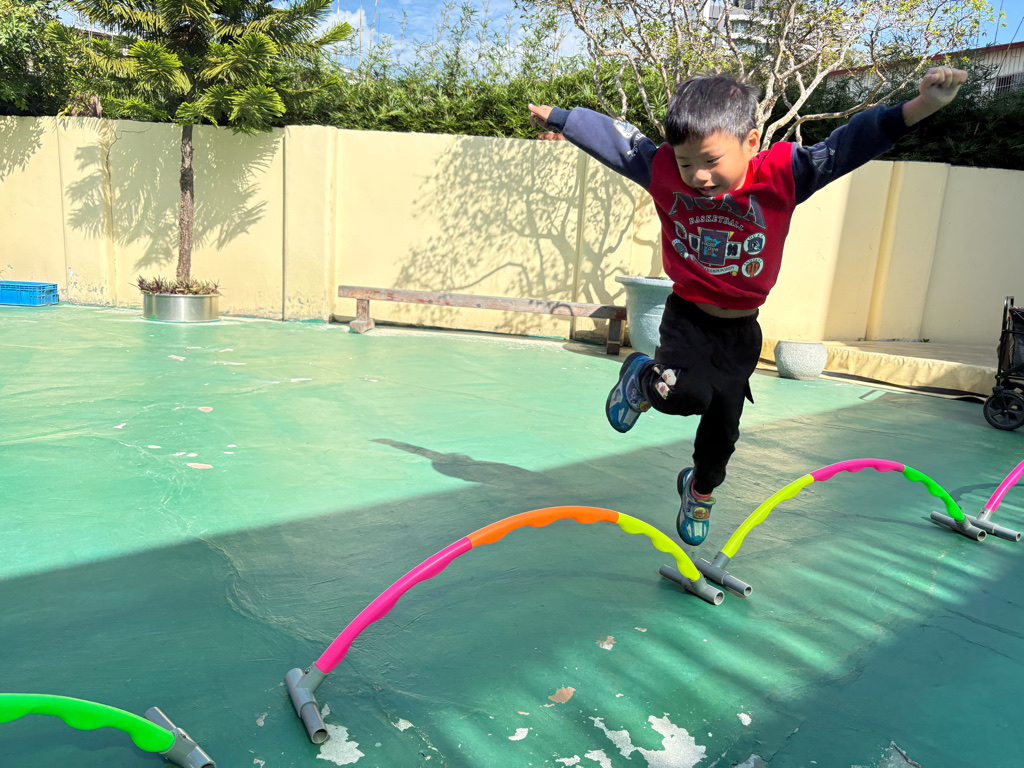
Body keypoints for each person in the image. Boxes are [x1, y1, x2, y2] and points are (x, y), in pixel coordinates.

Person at [528, 67, 967, 546]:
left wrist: (922, 106)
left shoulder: (783, 176)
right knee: (684, 395)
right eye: (685, 162)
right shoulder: (663, 171)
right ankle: (640, 377)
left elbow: (848, 145)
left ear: (751, 142)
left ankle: (698, 489)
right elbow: (618, 142)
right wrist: (562, 118)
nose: (697, 175)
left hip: (740, 332)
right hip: (688, 317)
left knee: (723, 432)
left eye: (711, 160)